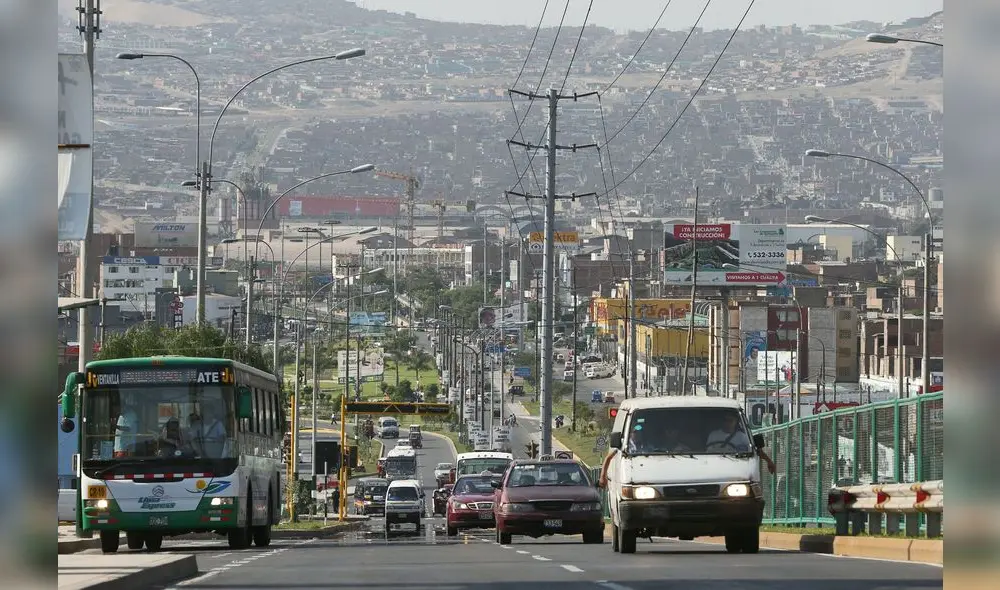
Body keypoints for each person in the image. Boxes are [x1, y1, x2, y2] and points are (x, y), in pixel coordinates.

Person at [706, 413, 776, 474]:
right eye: (725, 420)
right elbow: (708, 452)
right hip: (715, 466)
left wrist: (769, 461)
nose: (727, 423)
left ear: (736, 422)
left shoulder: (742, 437)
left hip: (737, 468)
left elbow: (756, 450)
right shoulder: (714, 435)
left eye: (730, 420)